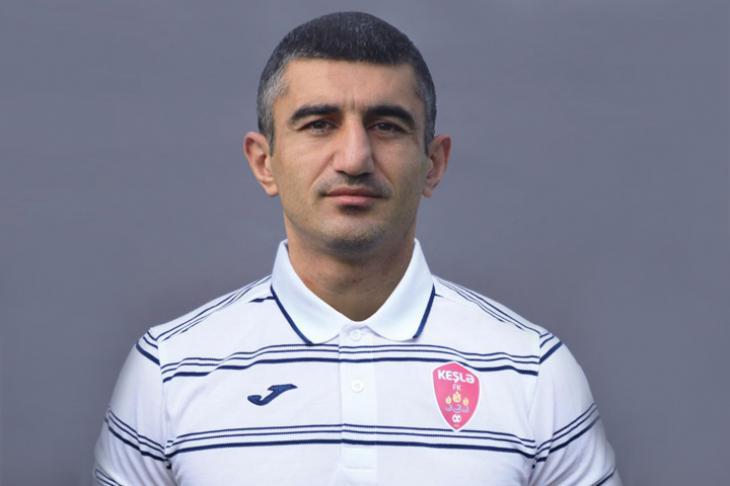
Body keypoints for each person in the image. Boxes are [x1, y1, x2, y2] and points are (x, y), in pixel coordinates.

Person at [94, 12, 620, 486]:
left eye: (386, 126)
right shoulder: (168, 370)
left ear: (433, 164)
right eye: (319, 125)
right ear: (264, 162)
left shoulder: (533, 371)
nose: (354, 158)